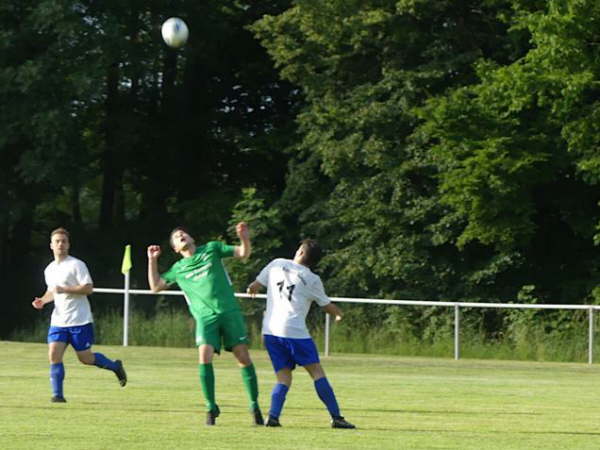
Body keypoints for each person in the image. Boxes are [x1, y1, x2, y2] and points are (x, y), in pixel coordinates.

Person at [147, 222, 263, 426]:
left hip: (229, 311)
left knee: (242, 356)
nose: (181, 235)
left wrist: (244, 237)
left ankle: (254, 405)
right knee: (204, 355)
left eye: (184, 233)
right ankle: (211, 407)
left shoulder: (212, 249)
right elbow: (156, 286)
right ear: (175, 248)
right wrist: (152, 261)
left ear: (192, 239)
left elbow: (243, 253)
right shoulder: (178, 268)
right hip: (205, 317)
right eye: (176, 237)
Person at [246, 239, 356, 429]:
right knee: (316, 372)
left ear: (300, 252)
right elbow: (326, 305)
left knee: (283, 377)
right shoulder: (312, 279)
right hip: (295, 332)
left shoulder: (276, 264)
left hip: (271, 332)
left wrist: (252, 288)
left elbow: (254, 286)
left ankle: (273, 417)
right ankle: (337, 418)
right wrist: (338, 313)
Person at [32, 227, 127, 403]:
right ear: (51, 245)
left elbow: (88, 288)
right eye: (57, 241)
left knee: (85, 358)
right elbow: (51, 292)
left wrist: (64, 289)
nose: (60, 244)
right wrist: (43, 301)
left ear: (68, 245)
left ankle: (115, 366)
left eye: (64, 241)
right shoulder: (49, 269)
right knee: (53, 354)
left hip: (79, 319)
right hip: (59, 320)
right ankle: (58, 396)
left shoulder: (76, 265)